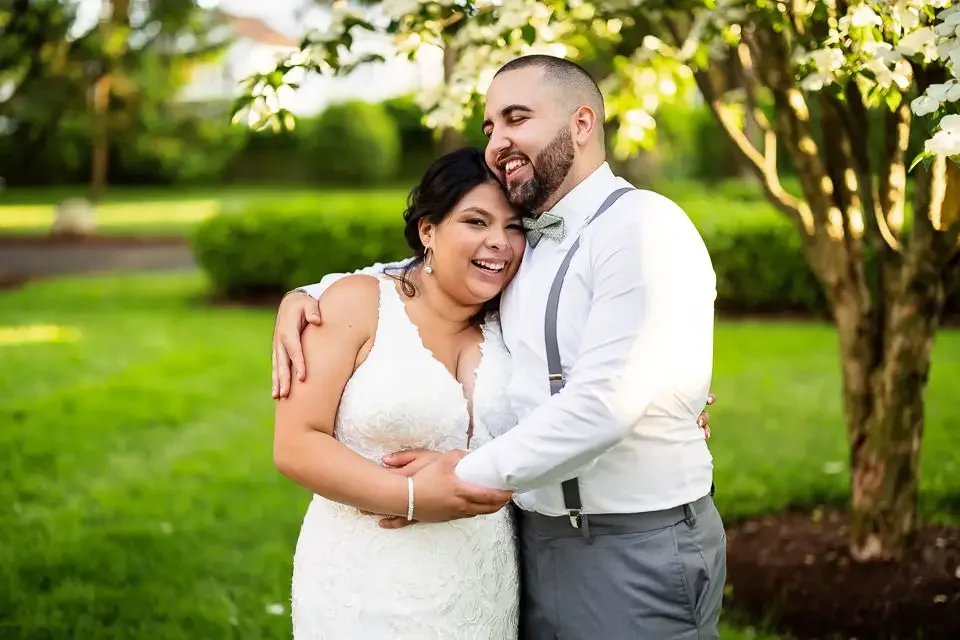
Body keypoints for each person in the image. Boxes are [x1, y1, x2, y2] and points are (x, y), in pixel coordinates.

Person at [275, 54, 725, 639]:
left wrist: (463, 474)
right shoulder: (525, 252)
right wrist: (312, 294)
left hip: (630, 540)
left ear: (582, 124)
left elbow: (605, 405)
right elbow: (430, 274)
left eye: (516, 119)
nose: (498, 142)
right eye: (490, 127)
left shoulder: (643, 227)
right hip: (526, 546)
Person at [273, 146, 528, 638]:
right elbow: (296, 443)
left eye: (514, 227)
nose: (499, 242)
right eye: (477, 222)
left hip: (481, 581)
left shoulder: (516, 322)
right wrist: (411, 495)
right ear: (427, 231)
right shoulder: (358, 303)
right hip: (366, 582)